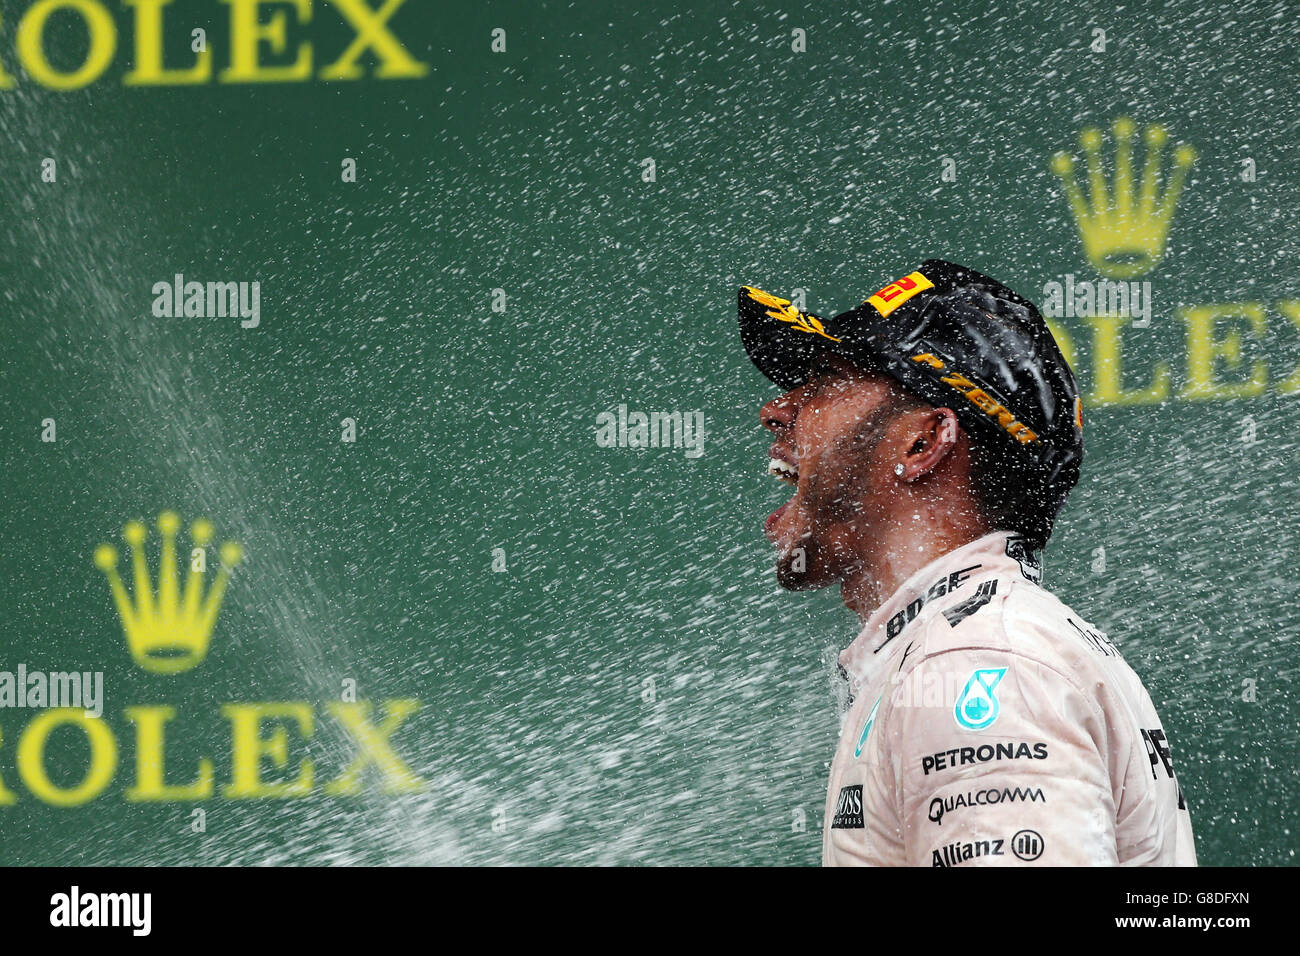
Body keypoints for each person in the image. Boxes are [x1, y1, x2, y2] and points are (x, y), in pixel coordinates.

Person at [737, 259, 1196, 866]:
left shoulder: (976, 666)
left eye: (827, 381)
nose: (777, 410)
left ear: (923, 443)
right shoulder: (975, 643)